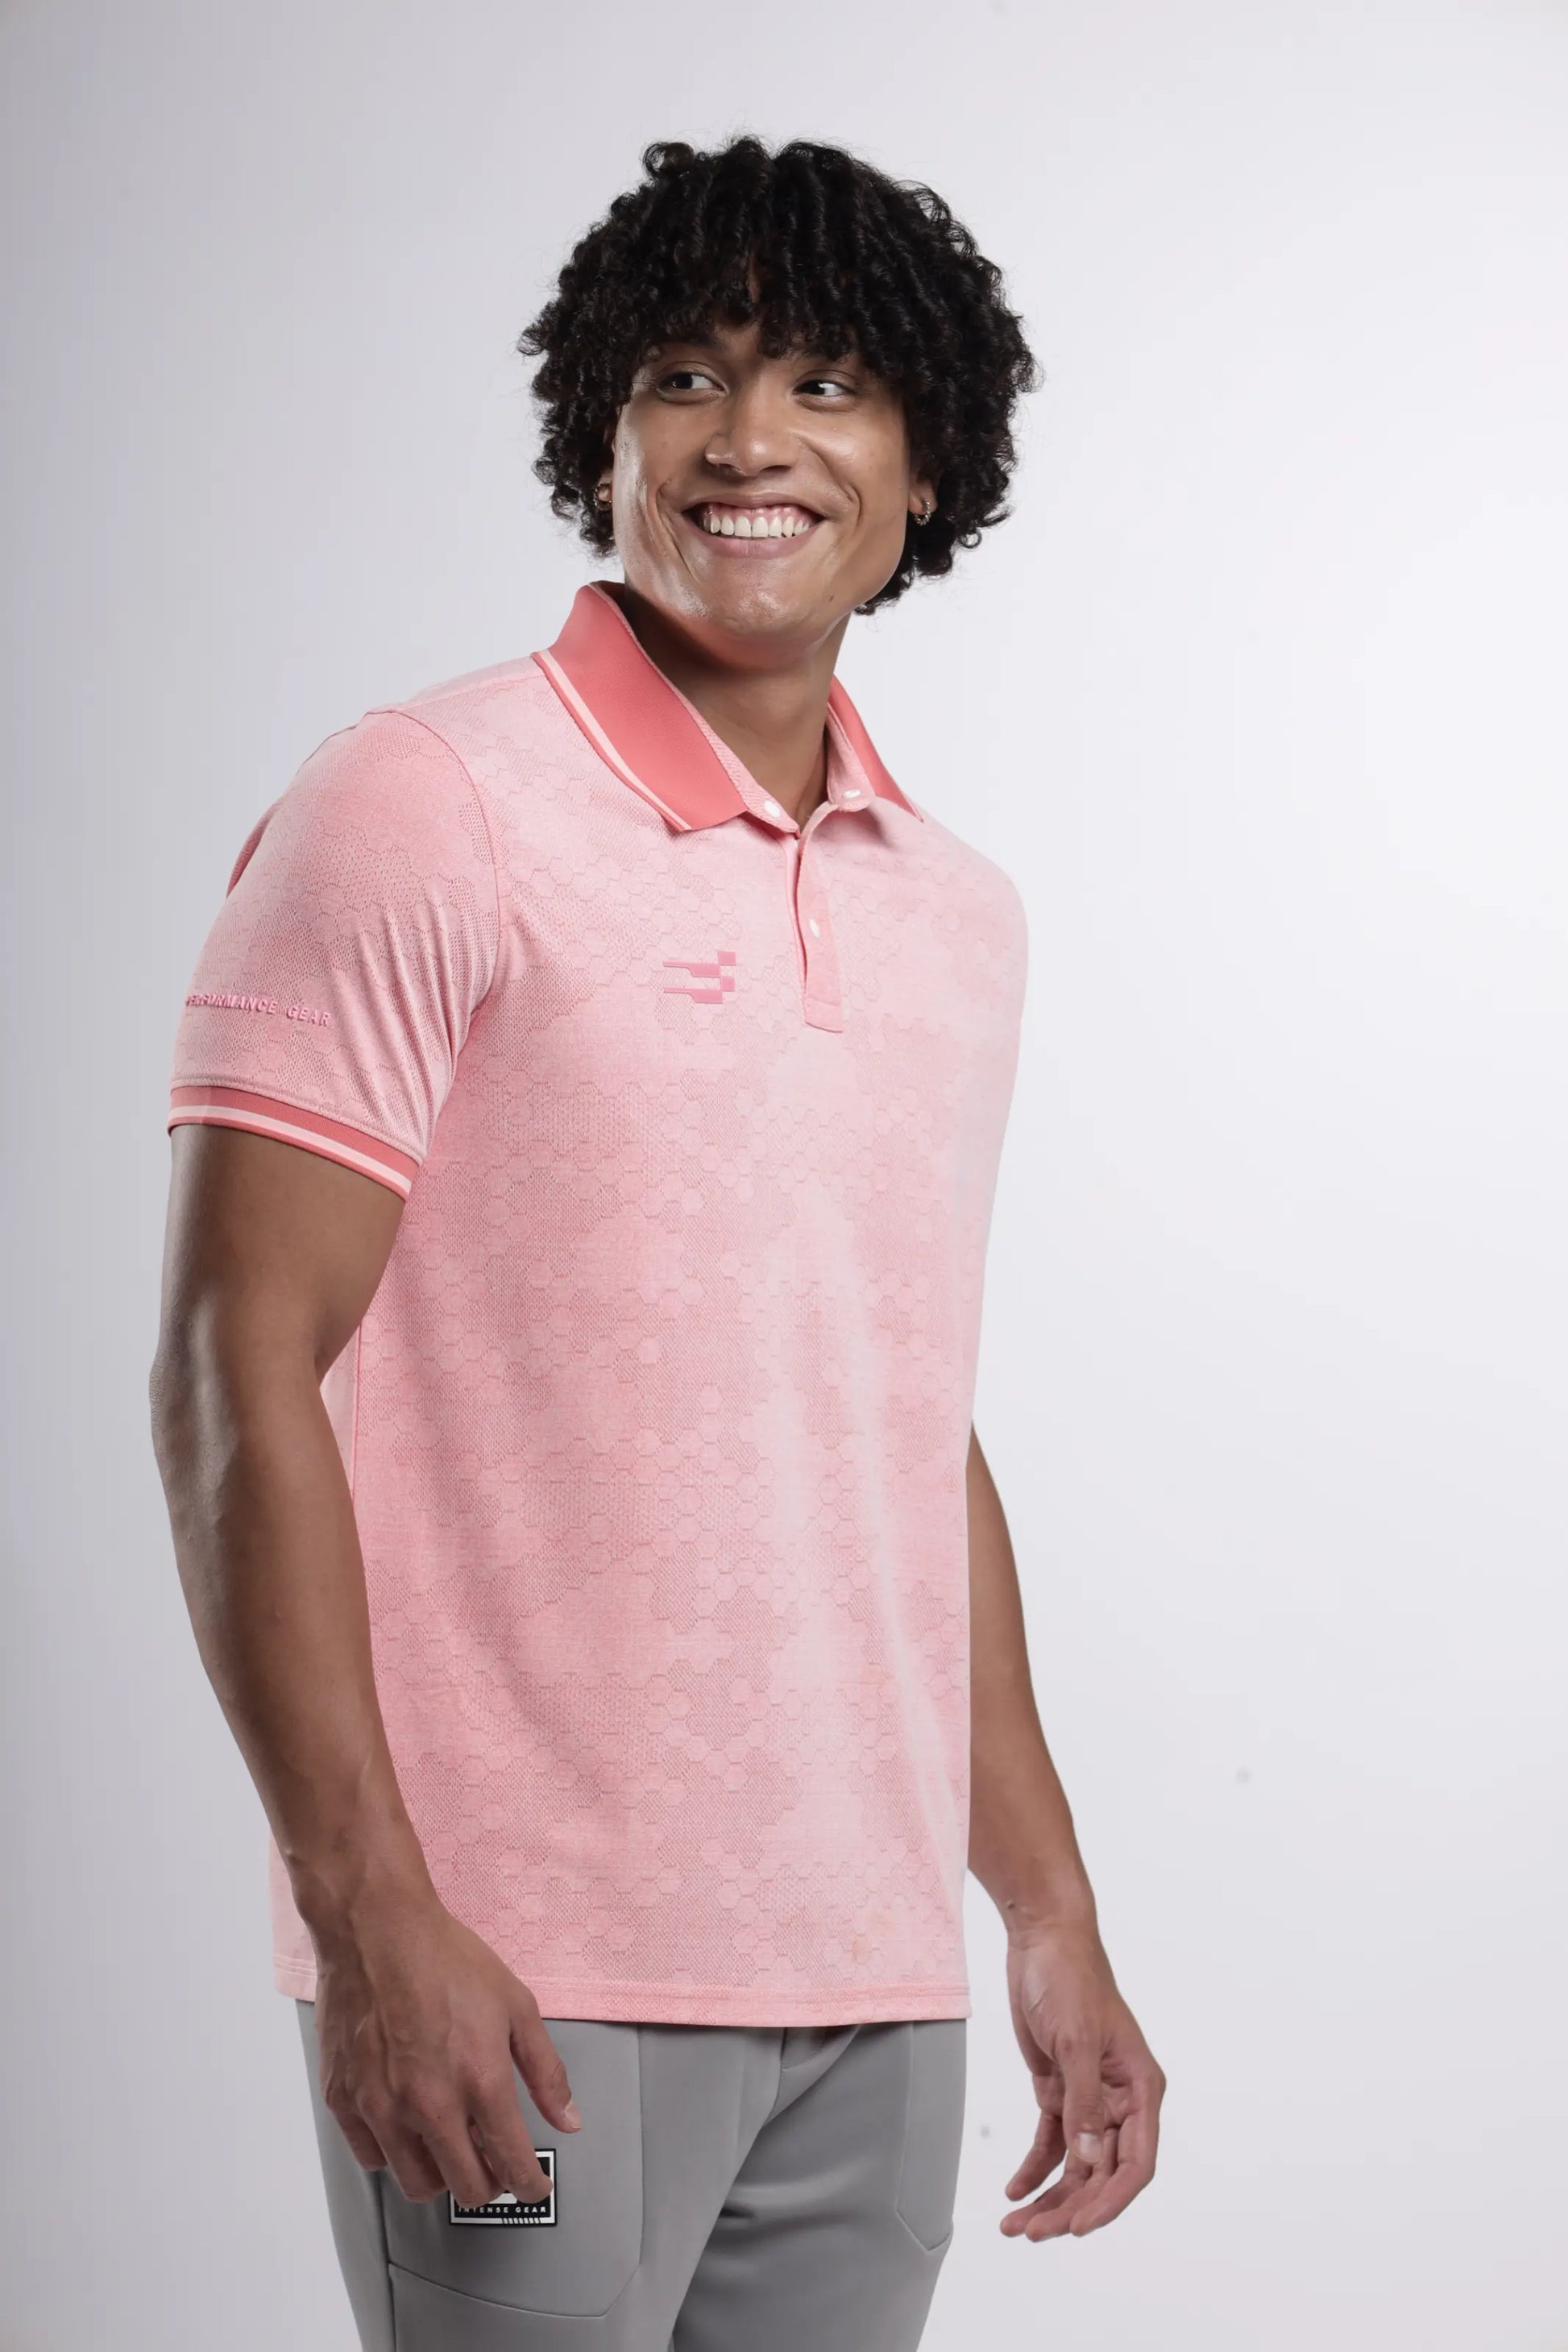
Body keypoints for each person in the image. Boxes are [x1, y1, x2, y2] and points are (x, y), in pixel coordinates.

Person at [150, 133, 1165, 2352]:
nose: (748, 440)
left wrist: (1043, 1907)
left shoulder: (957, 914)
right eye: (685, 377)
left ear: (926, 464)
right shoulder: (420, 802)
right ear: (597, 436)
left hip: (868, 1976)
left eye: (826, 384)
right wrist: (368, 1906)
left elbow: (902, 1435)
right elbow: (237, 1367)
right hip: (519, 1975)